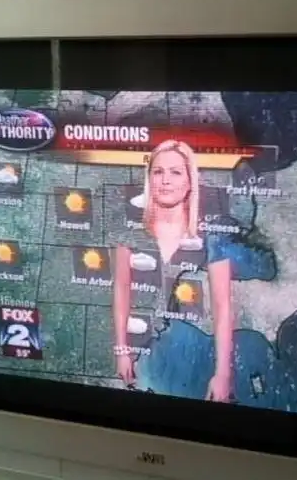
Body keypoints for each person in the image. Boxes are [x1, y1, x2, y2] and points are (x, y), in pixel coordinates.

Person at [112, 140, 234, 402]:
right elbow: (121, 289)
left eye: (176, 172)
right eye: (158, 172)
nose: (165, 180)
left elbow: (222, 307)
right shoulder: (130, 233)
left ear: (190, 182)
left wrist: (223, 373)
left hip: (197, 357)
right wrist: (122, 350)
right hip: (147, 359)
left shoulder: (212, 237)